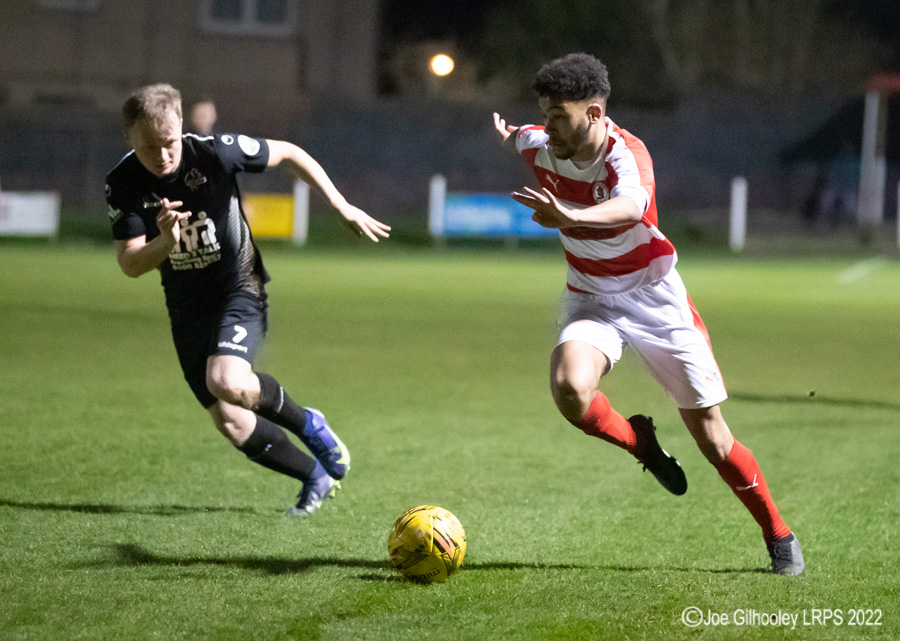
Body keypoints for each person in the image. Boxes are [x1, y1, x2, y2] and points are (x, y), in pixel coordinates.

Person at [493, 53, 803, 575]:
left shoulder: (625, 152)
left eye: (558, 116)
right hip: (591, 297)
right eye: (543, 115)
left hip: (656, 299)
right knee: (570, 389)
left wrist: (572, 214)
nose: (547, 128)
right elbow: (519, 135)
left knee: (713, 438)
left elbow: (632, 205)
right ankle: (641, 442)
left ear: (593, 113)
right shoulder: (539, 143)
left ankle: (778, 533)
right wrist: (508, 134)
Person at [105, 83, 390, 516]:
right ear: (129, 139)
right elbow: (131, 264)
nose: (162, 156)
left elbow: (292, 152)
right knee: (232, 421)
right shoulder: (122, 184)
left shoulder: (215, 152)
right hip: (185, 307)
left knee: (227, 381)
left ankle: (307, 421)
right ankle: (313, 476)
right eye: (149, 148)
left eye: (168, 143)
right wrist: (165, 240)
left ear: (180, 126)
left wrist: (340, 204)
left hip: (238, 286)